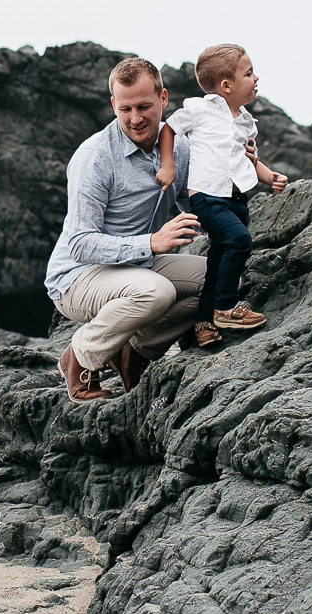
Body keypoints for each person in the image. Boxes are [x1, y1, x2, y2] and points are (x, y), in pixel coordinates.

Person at [44, 56, 207, 402]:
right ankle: (79, 359)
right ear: (113, 105)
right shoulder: (95, 157)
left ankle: (134, 351)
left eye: (145, 106)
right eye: (125, 108)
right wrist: (151, 242)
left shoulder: (177, 147)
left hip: (139, 267)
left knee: (223, 278)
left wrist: (240, 170)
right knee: (157, 292)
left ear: (163, 99)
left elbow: (197, 206)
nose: (136, 118)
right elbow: (79, 244)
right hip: (77, 277)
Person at [155, 44, 288, 344]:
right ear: (226, 86)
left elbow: (249, 159)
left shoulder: (245, 121)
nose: (256, 78)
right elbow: (168, 130)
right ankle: (226, 308)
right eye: (249, 73)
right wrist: (168, 166)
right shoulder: (200, 110)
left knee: (218, 260)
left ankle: (203, 323)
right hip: (206, 196)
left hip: (236, 199)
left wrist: (269, 177)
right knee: (240, 241)